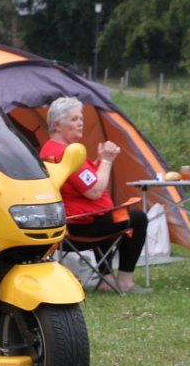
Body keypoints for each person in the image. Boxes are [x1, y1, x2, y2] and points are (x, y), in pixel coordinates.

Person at [40, 96, 149, 294]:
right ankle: (125, 281)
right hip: (79, 227)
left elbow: (84, 183)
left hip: (71, 224)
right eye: (74, 119)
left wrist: (99, 162)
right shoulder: (67, 153)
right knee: (137, 219)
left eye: (81, 118)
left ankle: (107, 279)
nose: (81, 123)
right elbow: (95, 191)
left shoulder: (50, 149)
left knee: (111, 214)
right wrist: (106, 161)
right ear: (57, 124)